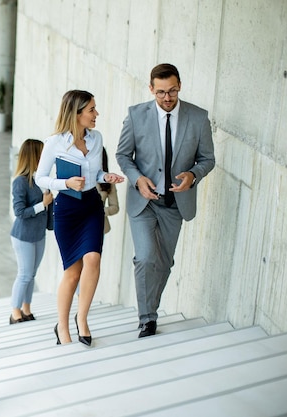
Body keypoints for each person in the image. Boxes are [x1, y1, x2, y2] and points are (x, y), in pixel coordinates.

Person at [115, 63, 215, 338]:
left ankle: (150, 308)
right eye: (160, 93)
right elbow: (123, 155)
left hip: (175, 204)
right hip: (144, 201)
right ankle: (147, 318)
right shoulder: (136, 116)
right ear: (151, 89)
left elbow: (208, 159)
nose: (167, 98)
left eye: (171, 91)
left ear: (179, 85)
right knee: (146, 258)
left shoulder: (198, 118)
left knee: (164, 263)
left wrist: (193, 175)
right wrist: (138, 179)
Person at [36, 90, 124, 345]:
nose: (96, 114)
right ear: (76, 114)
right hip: (67, 209)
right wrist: (65, 183)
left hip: (91, 207)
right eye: (91, 110)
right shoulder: (54, 143)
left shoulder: (97, 139)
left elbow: (95, 174)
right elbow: (40, 178)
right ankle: (61, 326)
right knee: (73, 272)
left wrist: (106, 177)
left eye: (95, 109)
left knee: (93, 259)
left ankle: (82, 318)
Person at [9, 139, 53, 324]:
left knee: (32, 274)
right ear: (34, 156)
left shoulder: (42, 180)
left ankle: (26, 309)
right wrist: (42, 205)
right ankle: (15, 313)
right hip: (23, 235)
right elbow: (19, 212)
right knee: (24, 274)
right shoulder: (20, 181)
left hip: (39, 234)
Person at [97, 147, 120, 234]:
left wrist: (101, 211)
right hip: (78, 225)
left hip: (99, 227)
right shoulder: (78, 177)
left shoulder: (109, 180)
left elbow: (115, 207)